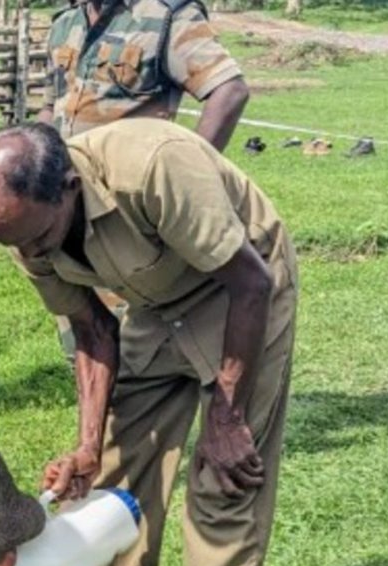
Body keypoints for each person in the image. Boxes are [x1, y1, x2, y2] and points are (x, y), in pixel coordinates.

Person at [0, 120, 297, 566]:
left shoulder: (155, 166)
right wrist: (88, 444)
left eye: (38, 238)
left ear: (67, 187)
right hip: (156, 305)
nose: (32, 256)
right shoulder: (26, 228)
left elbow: (249, 280)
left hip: (243, 290)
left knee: (226, 473)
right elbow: (93, 330)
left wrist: (224, 417)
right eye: (16, 245)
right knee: (118, 463)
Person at [37, 0, 249, 360]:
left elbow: (228, 91)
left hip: (129, 215)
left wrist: (186, 179)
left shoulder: (165, 15)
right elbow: (50, 107)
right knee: (87, 341)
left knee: (138, 349)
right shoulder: (65, 24)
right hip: (71, 216)